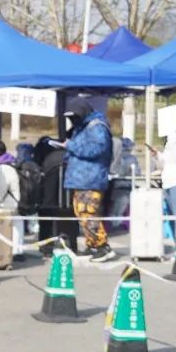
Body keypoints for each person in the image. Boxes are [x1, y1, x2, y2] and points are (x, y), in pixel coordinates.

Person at [62, 96, 117, 262]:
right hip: (80, 178)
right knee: (81, 212)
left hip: (91, 178)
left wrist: (70, 146)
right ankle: (92, 244)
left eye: (74, 116)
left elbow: (97, 149)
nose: (73, 120)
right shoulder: (82, 127)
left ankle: (102, 246)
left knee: (88, 211)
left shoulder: (97, 127)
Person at [153, 123, 176, 241]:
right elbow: (168, 160)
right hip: (170, 181)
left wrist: (174, 145)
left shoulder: (174, 140)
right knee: (174, 218)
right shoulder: (173, 140)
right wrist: (157, 155)